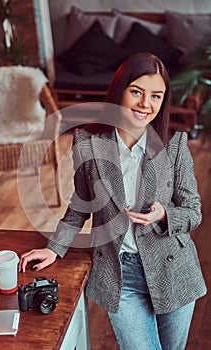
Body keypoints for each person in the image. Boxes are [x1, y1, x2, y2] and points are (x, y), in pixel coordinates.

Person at [19, 53, 207, 350]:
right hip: (121, 275)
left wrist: (163, 215)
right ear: (119, 90)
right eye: (136, 92)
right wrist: (54, 247)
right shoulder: (87, 142)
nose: (146, 104)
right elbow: (81, 204)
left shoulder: (175, 145)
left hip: (173, 271)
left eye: (155, 96)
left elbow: (193, 211)